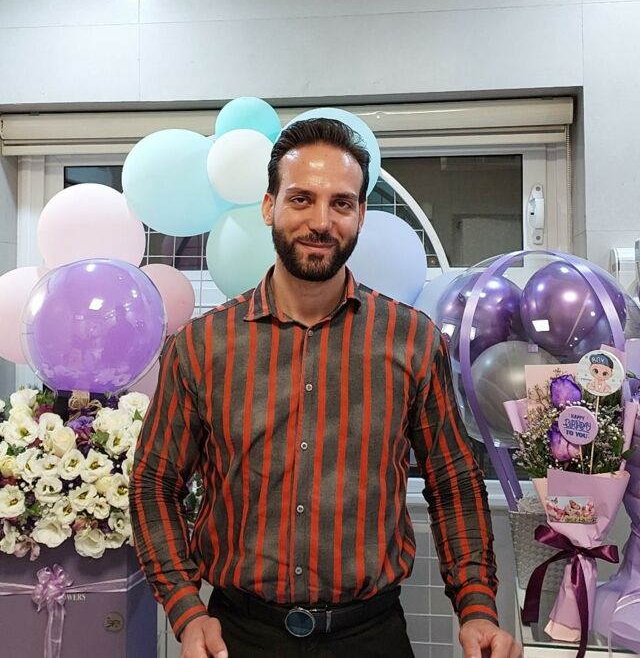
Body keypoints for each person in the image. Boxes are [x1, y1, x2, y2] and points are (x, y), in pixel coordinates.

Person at [130, 118, 521, 658]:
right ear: (269, 207)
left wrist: (476, 606)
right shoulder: (202, 345)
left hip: (372, 637)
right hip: (237, 637)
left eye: (341, 203)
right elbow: (154, 482)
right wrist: (185, 608)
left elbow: (453, 482)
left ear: (360, 215)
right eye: (301, 199)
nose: (320, 221)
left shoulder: (412, 340)